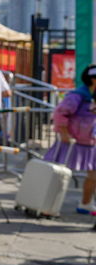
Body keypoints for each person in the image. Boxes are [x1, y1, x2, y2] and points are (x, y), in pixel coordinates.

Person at [43, 63, 96, 214]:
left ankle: (85, 203)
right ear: (93, 79)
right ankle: (49, 206)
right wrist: (65, 133)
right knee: (60, 175)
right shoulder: (77, 95)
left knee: (94, 175)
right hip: (71, 142)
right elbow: (60, 113)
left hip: (90, 143)